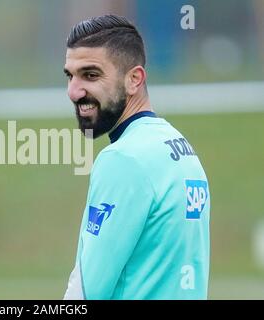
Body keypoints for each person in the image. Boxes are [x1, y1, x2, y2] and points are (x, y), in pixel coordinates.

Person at [63, 15, 210, 300]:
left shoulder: (123, 159)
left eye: (91, 75)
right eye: (70, 75)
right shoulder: (180, 148)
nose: (74, 91)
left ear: (134, 79)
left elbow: (87, 291)